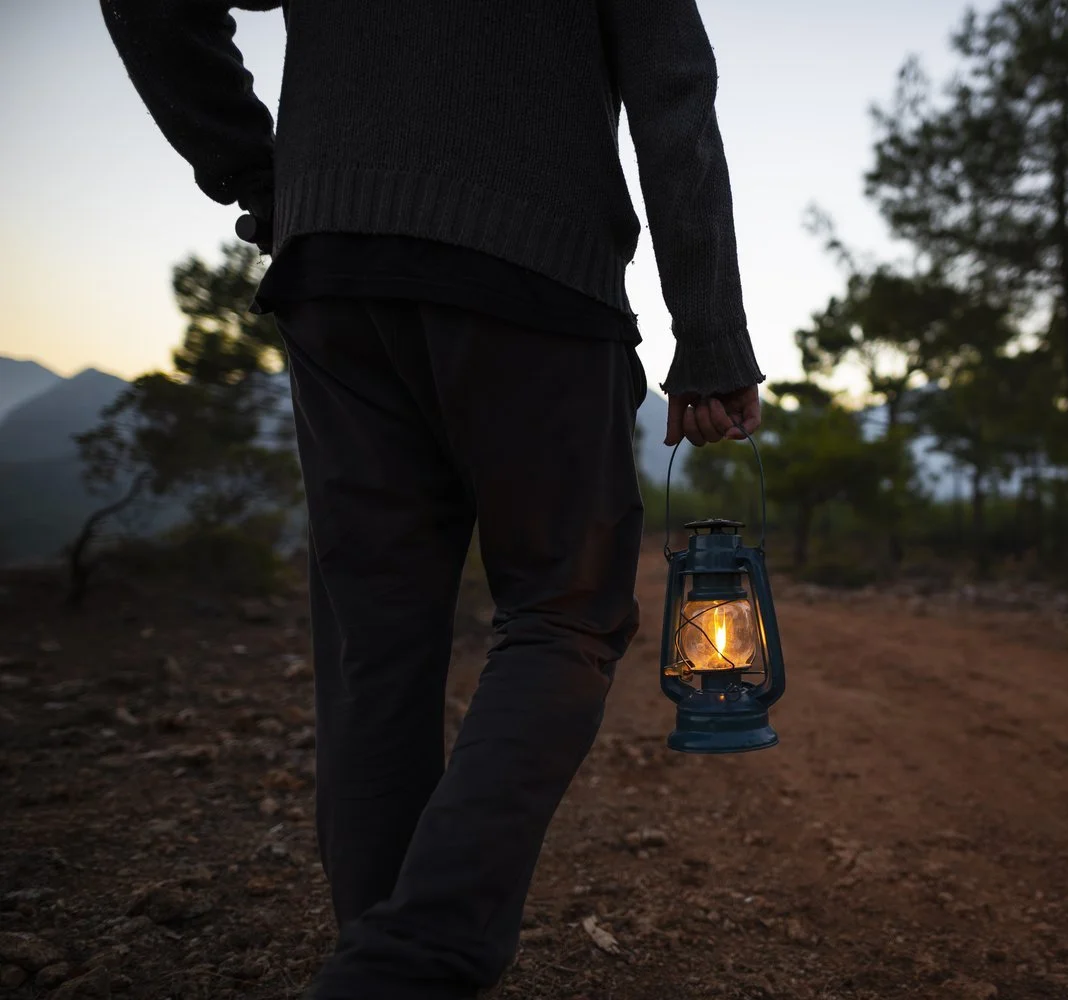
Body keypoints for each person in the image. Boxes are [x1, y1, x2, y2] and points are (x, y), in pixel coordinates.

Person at [101, 0, 764, 996]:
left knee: (376, 642)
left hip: (336, 271)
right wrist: (709, 336)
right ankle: (406, 968)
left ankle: (379, 953)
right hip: (536, 274)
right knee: (561, 611)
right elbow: (672, 89)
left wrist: (260, 173)